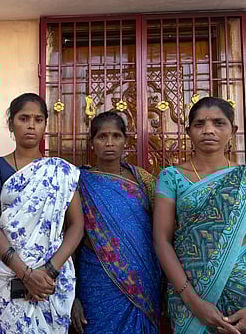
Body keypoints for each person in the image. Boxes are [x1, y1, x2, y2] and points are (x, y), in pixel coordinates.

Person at [153, 96, 246, 334]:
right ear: (188, 131)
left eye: (218, 123)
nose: (209, 130)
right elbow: (162, 241)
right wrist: (194, 303)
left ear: (232, 130)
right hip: (190, 297)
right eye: (200, 124)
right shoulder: (171, 177)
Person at [0, 93, 84, 334]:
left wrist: (49, 271)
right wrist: (25, 274)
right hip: (8, 277)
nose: (31, 125)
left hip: (51, 281)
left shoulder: (61, 172)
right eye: (23, 118)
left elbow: (77, 225)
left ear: (45, 124)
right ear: (11, 124)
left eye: (38, 119)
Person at [70, 111, 161, 334]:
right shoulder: (80, 182)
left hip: (143, 280)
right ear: (92, 143)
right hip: (96, 282)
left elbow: (163, 231)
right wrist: (71, 294)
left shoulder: (144, 180)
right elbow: (70, 236)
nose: (109, 143)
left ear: (125, 141)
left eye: (116, 136)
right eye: (102, 137)